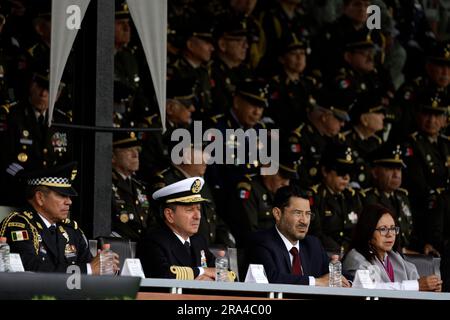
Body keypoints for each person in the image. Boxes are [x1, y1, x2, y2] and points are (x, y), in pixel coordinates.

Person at [0, 162, 119, 274]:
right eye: (62, 195)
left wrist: (107, 268)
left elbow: (91, 266)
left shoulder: (71, 230)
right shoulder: (18, 225)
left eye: (69, 196)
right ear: (40, 197)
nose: (69, 202)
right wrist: (89, 269)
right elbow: (30, 269)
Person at [246, 185, 350, 286]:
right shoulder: (262, 242)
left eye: (308, 214)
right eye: (298, 213)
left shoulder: (313, 245)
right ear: (277, 214)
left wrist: (347, 282)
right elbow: (272, 278)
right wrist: (317, 282)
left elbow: (343, 276)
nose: (304, 221)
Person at [343, 204, 442, 291]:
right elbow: (370, 289)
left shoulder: (395, 257)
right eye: (383, 229)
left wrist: (431, 288)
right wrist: (416, 286)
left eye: (393, 228)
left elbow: (419, 286)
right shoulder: (356, 258)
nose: (390, 234)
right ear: (368, 232)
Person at [137, 177, 216, 280]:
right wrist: (203, 271)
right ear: (170, 215)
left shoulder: (198, 241)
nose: (197, 216)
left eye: (198, 209)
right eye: (189, 210)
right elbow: (164, 275)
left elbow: (229, 274)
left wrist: (210, 279)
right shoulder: (153, 241)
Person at [364, 143, 418, 253]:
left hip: (404, 257)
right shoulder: (367, 199)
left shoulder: (402, 197)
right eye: (390, 168)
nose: (396, 174)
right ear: (375, 172)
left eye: (399, 169)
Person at [309, 143, 363, 254]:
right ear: (325, 171)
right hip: (324, 253)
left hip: (351, 253)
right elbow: (315, 233)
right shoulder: (315, 196)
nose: (346, 177)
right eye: (341, 171)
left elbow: (361, 229)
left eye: (348, 172)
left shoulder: (352, 196)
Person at [111, 131, 154, 241]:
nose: (135, 155)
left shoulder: (140, 187)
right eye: (129, 150)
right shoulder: (108, 185)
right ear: (113, 157)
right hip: (119, 245)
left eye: (137, 150)